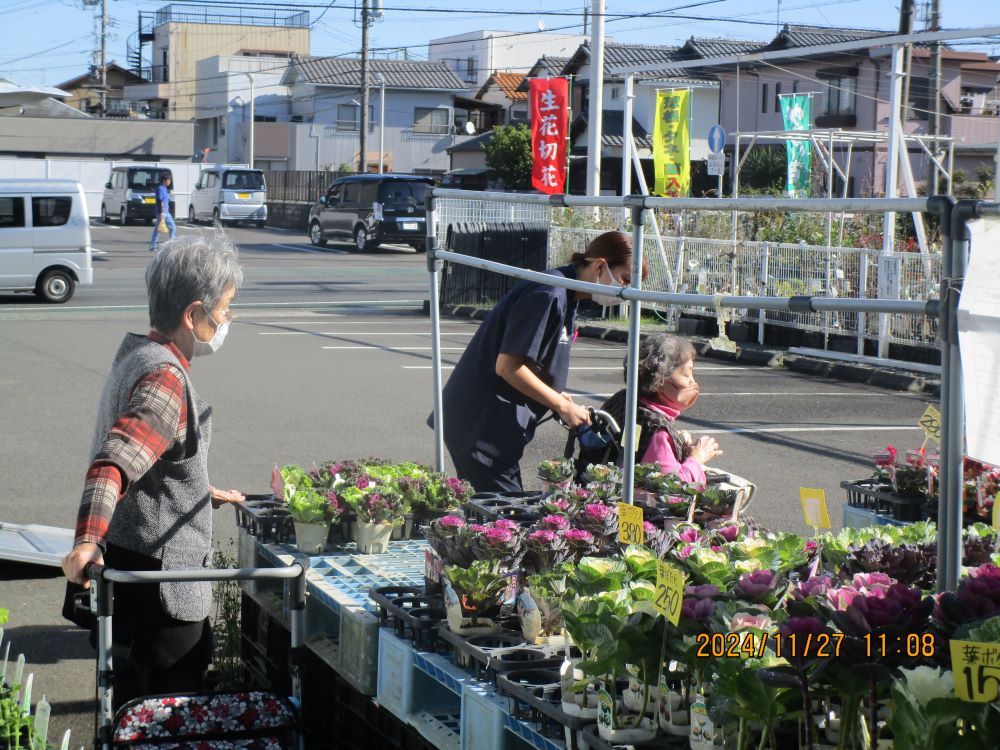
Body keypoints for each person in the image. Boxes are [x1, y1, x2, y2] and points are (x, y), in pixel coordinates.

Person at [61, 234, 246, 709]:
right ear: (193, 315)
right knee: (164, 715)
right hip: (161, 592)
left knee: (128, 709)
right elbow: (114, 463)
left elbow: (153, 462)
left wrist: (202, 493)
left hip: (131, 572)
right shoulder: (165, 377)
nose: (226, 321)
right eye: (223, 310)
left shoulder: (138, 354)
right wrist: (85, 541)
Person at [438, 231, 647, 492]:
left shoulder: (566, 295)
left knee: (490, 515)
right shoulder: (548, 292)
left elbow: (536, 362)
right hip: (481, 424)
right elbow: (507, 366)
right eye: (624, 280)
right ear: (600, 266)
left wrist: (559, 397)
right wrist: (560, 404)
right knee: (504, 517)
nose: (624, 292)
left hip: (494, 425)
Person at [600, 333, 722, 483]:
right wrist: (696, 459)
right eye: (686, 374)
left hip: (604, 487)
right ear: (659, 380)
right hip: (632, 504)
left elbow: (632, 442)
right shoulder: (657, 431)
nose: (693, 382)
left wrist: (675, 440)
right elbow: (670, 485)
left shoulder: (623, 399)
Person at [149, 173, 176, 252]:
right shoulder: (160, 188)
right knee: (158, 229)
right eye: (168, 180)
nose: (170, 181)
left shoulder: (164, 188)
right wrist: (161, 213)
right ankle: (153, 246)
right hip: (162, 212)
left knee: (172, 227)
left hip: (166, 212)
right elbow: (159, 201)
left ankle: (172, 244)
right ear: (164, 180)